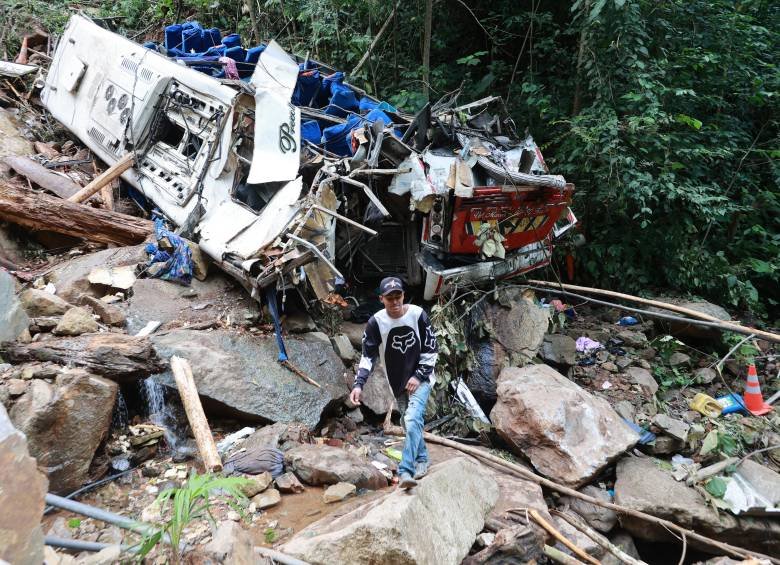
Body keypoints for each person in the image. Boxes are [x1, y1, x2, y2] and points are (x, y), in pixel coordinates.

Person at [349, 276, 438, 489]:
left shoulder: (418, 315)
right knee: (409, 424)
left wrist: (419, 376)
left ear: (403, 295)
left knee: (412, 418)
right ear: (382, 299)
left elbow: (431, 348)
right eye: (390, 298)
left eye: (398, 296)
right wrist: (358, 384)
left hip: (421, 378)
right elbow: (368, 356)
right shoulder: (376, 323)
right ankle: (422, 459)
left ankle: (406, 470)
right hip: (397, 381)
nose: (395, 301)